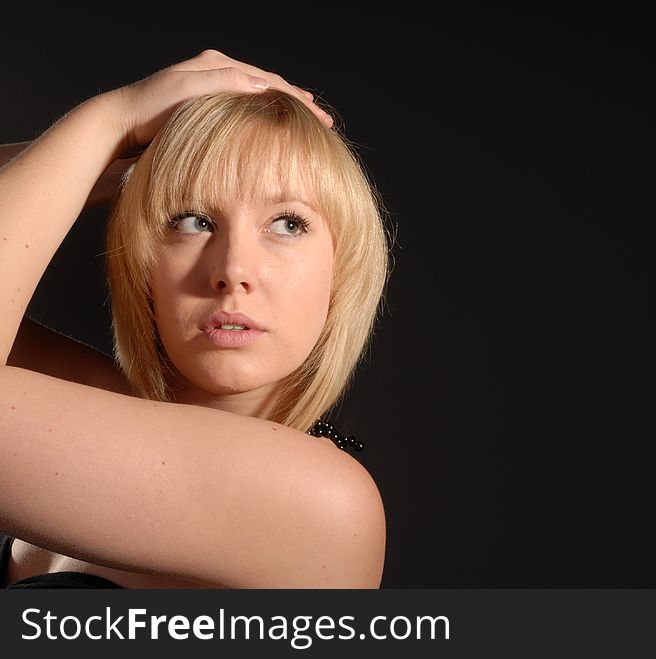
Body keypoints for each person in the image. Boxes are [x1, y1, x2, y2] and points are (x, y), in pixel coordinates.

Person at [0, 49, 391, 588]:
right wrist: (112, 170)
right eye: (193, 220)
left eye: (287, 224)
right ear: (141, 260)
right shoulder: (98, 404)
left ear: (341, 269)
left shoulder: (318, 502)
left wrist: (108, 120)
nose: (232, 271)